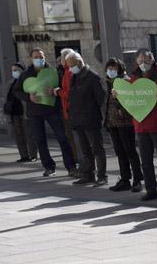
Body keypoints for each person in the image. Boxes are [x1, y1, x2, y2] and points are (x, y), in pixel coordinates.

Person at [126, 48, 157, 201]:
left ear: (152, 60)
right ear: (136, 62)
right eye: (140, 61)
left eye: (146, 61)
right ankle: (151, 189)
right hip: (141, 126)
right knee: (146, 162)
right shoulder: (134, 78)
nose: (143, 64)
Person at [21, 48, 77, 178]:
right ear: (31, 58)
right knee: (40, 140)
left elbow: (63, 87)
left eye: (41, 56)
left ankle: (71, 166)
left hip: (52, 109)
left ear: (44, 57)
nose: (39, 59)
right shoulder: (26, 74)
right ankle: (49, 167)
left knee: (62, 138)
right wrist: (28, 97)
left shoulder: (53, 71)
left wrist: (55, 91)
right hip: (35, 112)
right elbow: (17, 91)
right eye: (36, 57)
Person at [66, 52, 108, 186]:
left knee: (97, 148)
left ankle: (102, 176)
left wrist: (98, 116)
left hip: (91, 119)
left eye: (72, 65)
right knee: (85, 150)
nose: (71, 68)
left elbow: (101, 98)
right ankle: (88, 174)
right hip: (78, 120)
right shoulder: (74, 77)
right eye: (69, 66)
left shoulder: (92, 77)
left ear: (79, 62)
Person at [103, 58, 143, 193]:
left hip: (125, 123)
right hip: (113, 123)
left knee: (130, 151)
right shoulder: (109, 82)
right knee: (120, 152)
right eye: (109, 68)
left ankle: (137, 180)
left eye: (113, 68)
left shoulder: (125, 81)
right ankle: (125, 179)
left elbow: (130, 101)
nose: (110, 71)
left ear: (120, 69)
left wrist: (122, 110)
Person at [54, 48, 80, 173]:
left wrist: (58, 92)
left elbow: (69, 93)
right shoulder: (65, 72)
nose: (60, 60)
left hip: (71, 111)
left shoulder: (68, 73)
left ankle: (80, 166)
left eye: (62, 57)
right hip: (67, 111)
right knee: (73, 140)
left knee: (76, 141)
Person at [5, 63, 36, 163]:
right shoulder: (11, 83)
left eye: (16, 70)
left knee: (29, 134)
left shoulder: (27, 81)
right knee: (19, 135)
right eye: (13, 70)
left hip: (25, 111)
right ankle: (24, 155)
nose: (14, 72)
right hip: (14, 112)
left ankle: (33, 155)